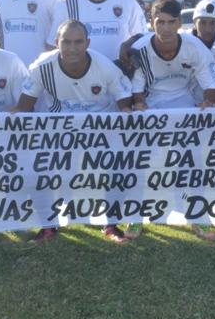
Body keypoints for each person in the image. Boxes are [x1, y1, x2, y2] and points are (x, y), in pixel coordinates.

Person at [18, 20, 133, 245]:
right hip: (58, 128)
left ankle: (111, 223)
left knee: (119, 165)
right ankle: (48, 225)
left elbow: (124, 105)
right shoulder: (42, 67)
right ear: (56, 43)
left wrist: (128, 115)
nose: (72, 48)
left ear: (88, 43)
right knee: (39, 168)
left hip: (99, 127)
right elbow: (24, 107)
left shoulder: (106, 67)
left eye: (78, 42)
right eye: (66, 42)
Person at [128, 0, 215, 238]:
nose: (166, 28)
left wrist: (208, 100)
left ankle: (198, 217)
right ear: (151, 23)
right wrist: (140, 104)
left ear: (180, 22)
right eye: (160, 22)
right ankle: (135, 217)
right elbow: (136, 88)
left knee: (192, 161)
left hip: (184, 103)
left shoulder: (194, 47)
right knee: (140, 163)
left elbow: (211, 82)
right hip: (151, 106)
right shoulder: (139, 50)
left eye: (171, 22)